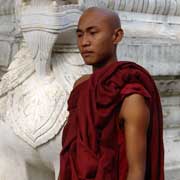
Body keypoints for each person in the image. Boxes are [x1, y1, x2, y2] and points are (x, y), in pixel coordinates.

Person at [59, 7, 164, 180]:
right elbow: (70, 156)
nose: (84, 42)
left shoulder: (131, 98)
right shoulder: (81, 86)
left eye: (93, 33)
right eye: (80, 35)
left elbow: (136, 172)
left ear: (116, 36)